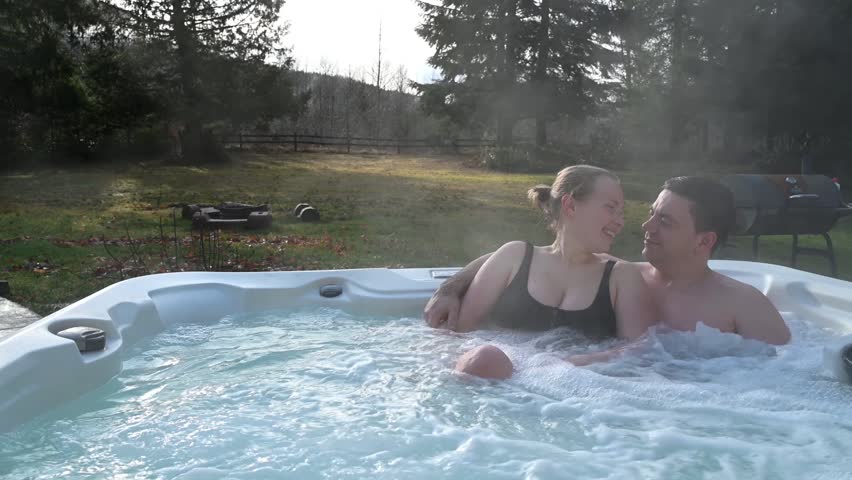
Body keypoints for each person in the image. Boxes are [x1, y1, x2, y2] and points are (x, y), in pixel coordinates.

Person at [428, 175, 791, 377]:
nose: (646, 226)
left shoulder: (744, 305)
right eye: (651, 213)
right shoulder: (628, 276)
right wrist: (452, 286)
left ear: (704, 240)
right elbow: (514, 258)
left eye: (664, 221)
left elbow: (793, 372)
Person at [447, 165, 658, 379]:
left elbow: (637, 352)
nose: (620, 222)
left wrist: (565, 365)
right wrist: (449, 289)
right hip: (497, 392)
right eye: (610, 208)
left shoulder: (621, 277)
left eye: (622, 213)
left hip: (575, 395)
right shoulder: (514, 258)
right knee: (486, 356)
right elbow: (458, 335)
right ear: (570, 205)